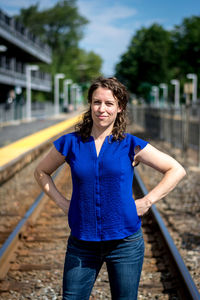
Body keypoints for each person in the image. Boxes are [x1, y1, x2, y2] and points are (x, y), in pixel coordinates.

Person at [34, 77, 186, 300]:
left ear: (119, 107)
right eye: (97, 102)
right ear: (90, 105)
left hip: (125, 243)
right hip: (82, 243)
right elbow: (41, 172)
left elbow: (176, 169)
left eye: (109, 103)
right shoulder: (70, 142)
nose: (102, 109)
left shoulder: (130, 144)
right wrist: (63, 203)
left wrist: (146, 202)